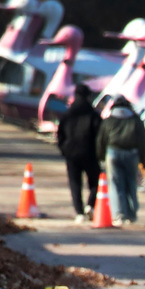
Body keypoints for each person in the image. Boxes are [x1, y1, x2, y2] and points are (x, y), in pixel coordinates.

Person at [95, 95, 145, 226]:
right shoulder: (136, 120)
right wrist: (144, 160)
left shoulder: (109, 120)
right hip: (132, 154)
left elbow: (101, 141)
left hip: (113, 153)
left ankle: (119, 214)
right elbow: (143, 141)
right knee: (131, 183)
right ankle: (132, 213)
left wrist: (101, 157)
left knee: (115, 185)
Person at [56, 83, 100, 220]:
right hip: (90, 153)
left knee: (75, 183)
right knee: (95, 181)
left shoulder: (68, 114)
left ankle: (79, 212)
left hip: (71, 154)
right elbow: (100, 135)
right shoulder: (93, 114)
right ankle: (91, 205)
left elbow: (60, 135)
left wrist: (64, 150)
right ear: (88, 96)